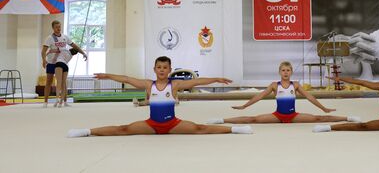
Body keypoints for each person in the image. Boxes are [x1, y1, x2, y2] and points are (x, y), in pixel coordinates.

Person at [67, 56, 252, 137]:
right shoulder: (149, 84)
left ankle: (235, 129)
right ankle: (86, 131)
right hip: (152, 124)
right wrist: (108, 75)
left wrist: (216, 79)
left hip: (173, 124)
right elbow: (127, 79)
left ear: (170, 70)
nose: (162, 70)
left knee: (199, 128)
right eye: (159, 67)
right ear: (154, 69)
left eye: (165, 68)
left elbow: (197, 82)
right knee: (122, 129)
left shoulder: (176, 84)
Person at [207, 61, 360, 124]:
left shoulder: (296, 84)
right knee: (252, 120)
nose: (286, 73)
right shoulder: (274, 85)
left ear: (291, 72)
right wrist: (244, 106)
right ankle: (222, 120)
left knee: (319, 118)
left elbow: (309, 97)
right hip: (277, 115)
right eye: (283, 70)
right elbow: (259, 96)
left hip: (293, 116)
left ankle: (348, 118)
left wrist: (324, 108)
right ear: (279, 72)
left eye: (288, 70)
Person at [41, 20, 87, 107]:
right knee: (49, 82)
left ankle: (65, 101)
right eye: (56, 27)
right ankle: (45, 101)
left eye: (59, 26)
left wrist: (83, 53)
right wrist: (43, 60)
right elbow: (43, 51)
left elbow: (75, 46)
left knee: (63, 82)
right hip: (51, 62)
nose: (58, 28)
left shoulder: (65, 37)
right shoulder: (49, 38)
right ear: (53, 28)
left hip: (60, 62)